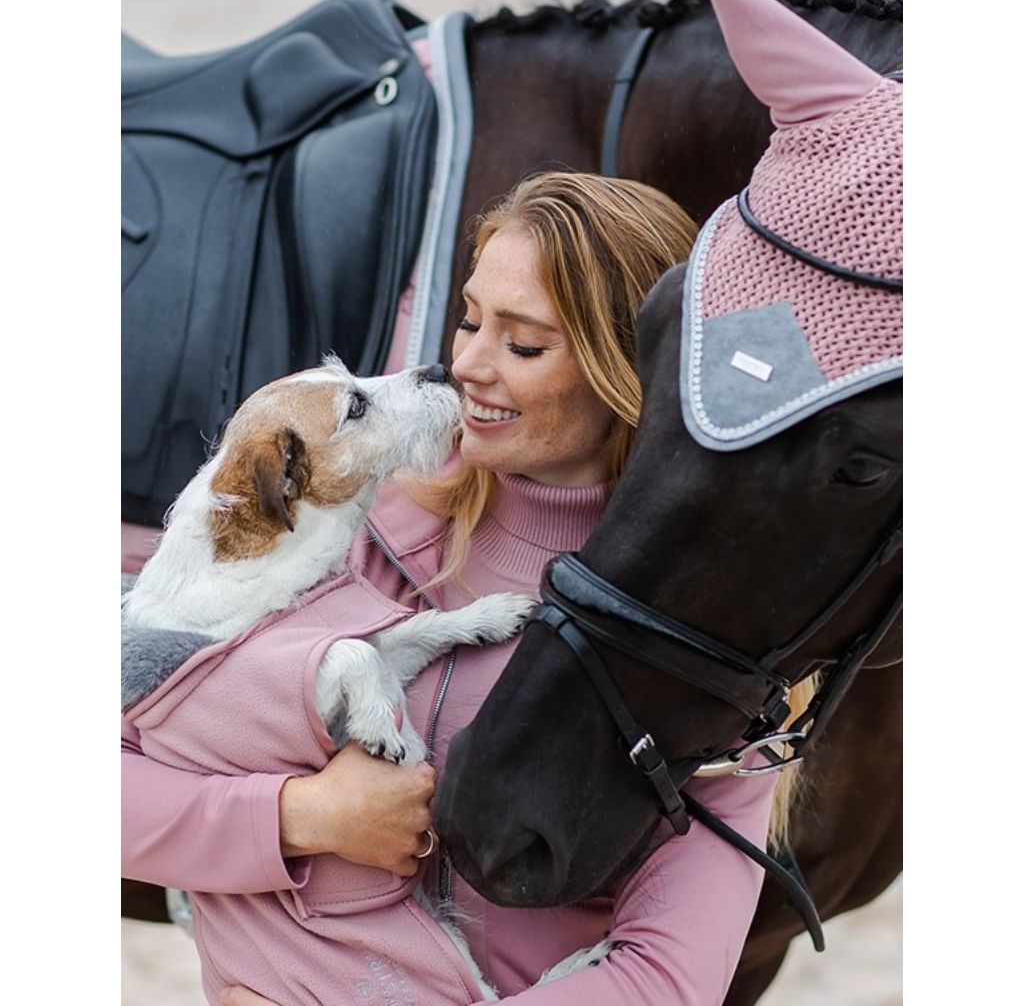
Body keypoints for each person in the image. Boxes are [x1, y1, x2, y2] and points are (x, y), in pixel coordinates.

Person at [123, 170, 811, 1005]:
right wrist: (301, 816)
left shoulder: (708, 627)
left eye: (523, 345)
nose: (466, 365)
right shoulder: (351, 531)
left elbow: (668, 978)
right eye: (470, 319)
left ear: (622, 369)